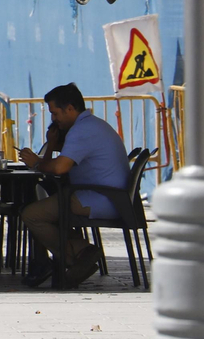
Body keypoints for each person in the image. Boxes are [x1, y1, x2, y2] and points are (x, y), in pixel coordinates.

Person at [18, 82, 129, 288]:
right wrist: (50, 146)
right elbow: (56, 165)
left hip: (102, 198)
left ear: (70, 108)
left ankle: (78, 256)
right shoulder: (91, 125)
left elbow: (60, 168)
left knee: (31, 214)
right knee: (49, 210)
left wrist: (35, 162)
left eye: (55, 113)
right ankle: (81, 252)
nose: (53, 119)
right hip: (108, 196)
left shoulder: (82, 130)